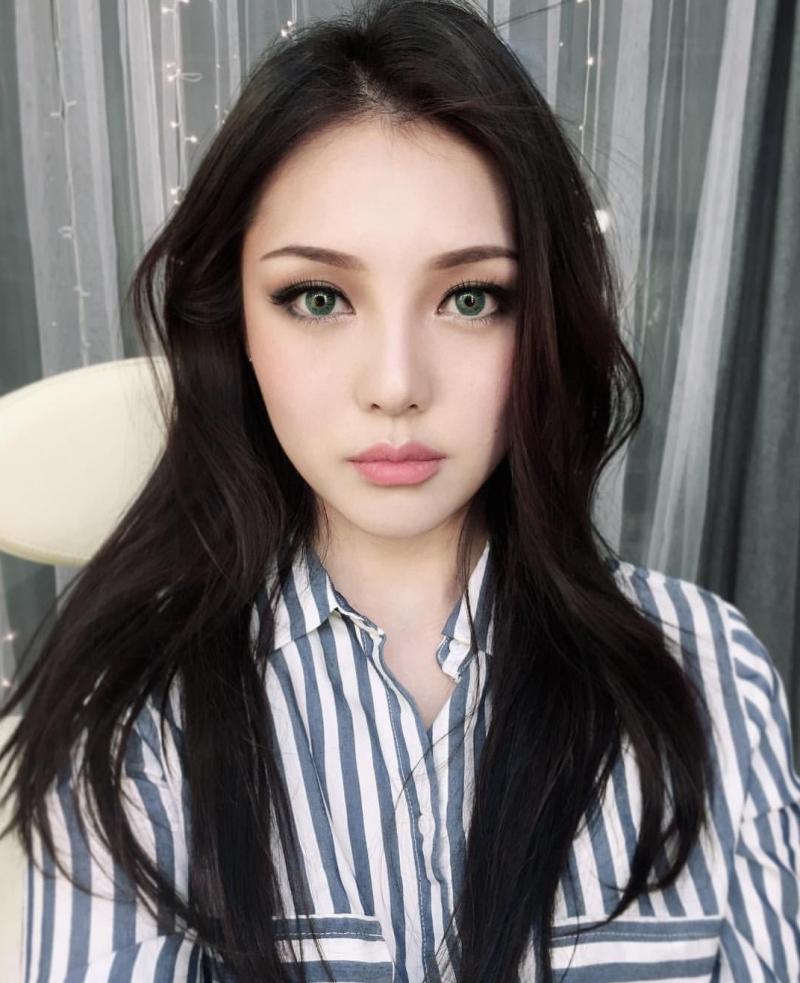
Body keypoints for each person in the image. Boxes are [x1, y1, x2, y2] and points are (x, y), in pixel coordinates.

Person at [2, 0, 799, 980]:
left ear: (544, 320)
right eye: (318, 298)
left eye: (470, 298)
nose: (394, 384)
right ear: (234, 325)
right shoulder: (131, 715)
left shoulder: (709, 673)